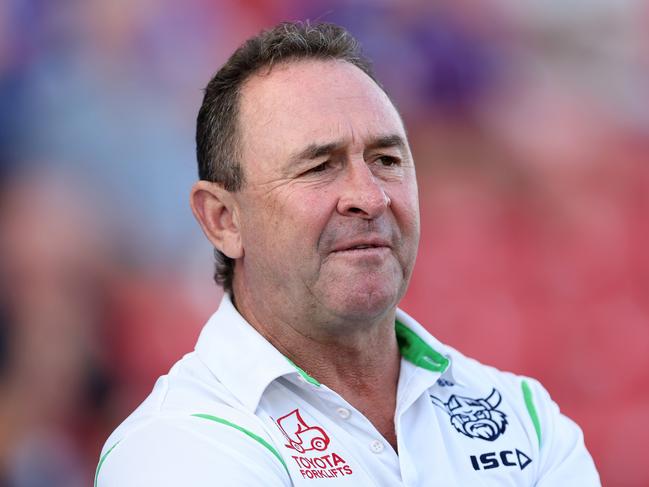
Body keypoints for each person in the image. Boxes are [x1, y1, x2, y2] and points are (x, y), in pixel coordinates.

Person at [96, 21, 600, 486]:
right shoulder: (174, 447)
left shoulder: (524, 416)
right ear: (223, 220)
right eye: (319, 166)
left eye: (386, 159)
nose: (371, 196)